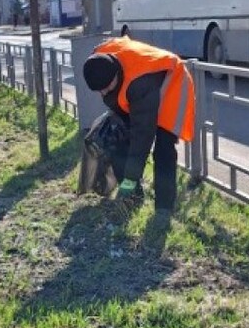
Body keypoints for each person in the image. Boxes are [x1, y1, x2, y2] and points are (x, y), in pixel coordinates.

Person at [81, 36, 195, 215]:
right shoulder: (99, 60)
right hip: (142, 88)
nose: (103, 93)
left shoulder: (139, 83)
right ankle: (135, 198)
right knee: (117, 136)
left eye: (106, 88)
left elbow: (143, 134)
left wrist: (131, 177)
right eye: (99, 90)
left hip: (173, 82)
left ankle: (163, 210)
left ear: (116, 76)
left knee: (163, 150)